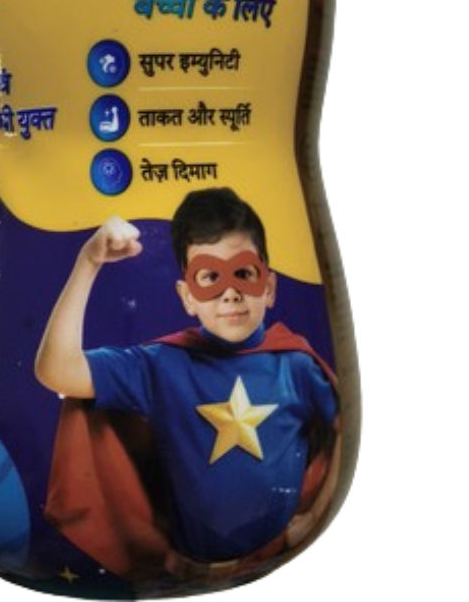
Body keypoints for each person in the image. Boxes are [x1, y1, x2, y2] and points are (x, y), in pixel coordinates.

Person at [35, 187, 340, 584]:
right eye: (210, 277)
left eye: (244, 274)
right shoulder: (161, 365)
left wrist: (316, 516)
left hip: (282, 568)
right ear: (187, 296)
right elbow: (57, 371)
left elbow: (344, 426)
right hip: (185, 576)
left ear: (268, 288)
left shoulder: (296, 364)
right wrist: (87, 262)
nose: (230, 293)